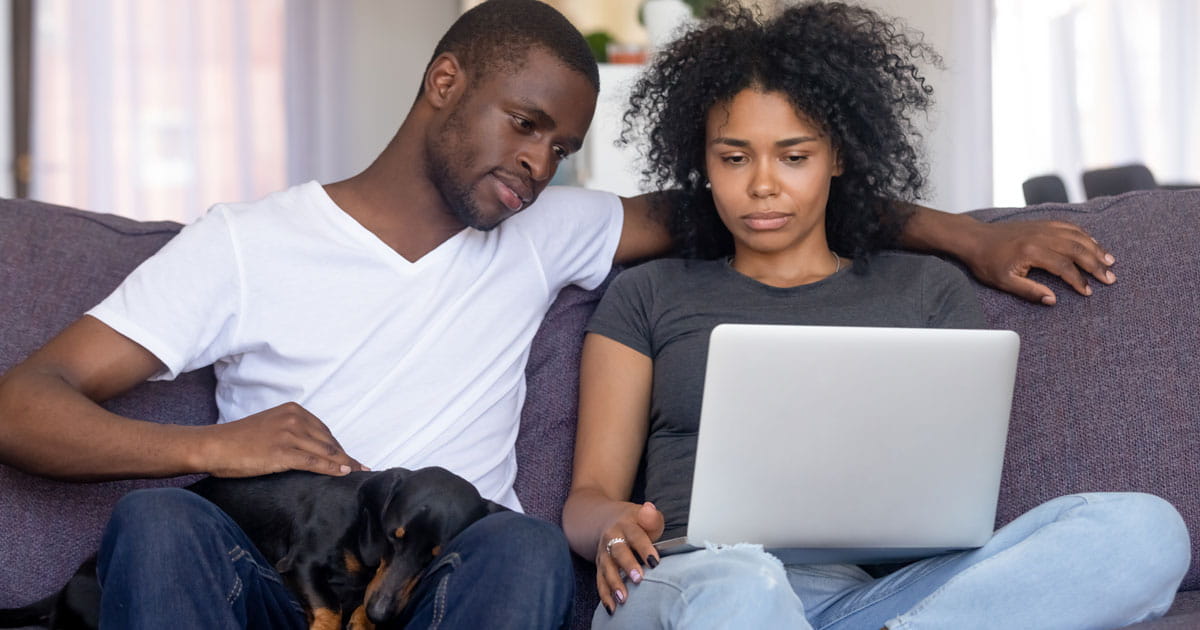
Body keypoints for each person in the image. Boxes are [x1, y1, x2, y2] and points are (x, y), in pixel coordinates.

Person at [0, 0, 1120, 628]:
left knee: (528, 548)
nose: (537, 163)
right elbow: (26, 403)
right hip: (275, 570)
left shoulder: (547, 233)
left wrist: (970, 236)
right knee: (155, 526)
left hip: (454, 579)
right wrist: (212, 444)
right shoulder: (244, 244)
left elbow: (766, 194)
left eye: (560, 147)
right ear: (445, 84)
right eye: (523, 122)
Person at [561, 3, 1189, 629]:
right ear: (704, 161)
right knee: (747, 584)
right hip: (698, 582)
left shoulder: (927, 291)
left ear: (838, 157)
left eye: (794, 156)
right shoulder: (648, 294)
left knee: (1146, 529)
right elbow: (588, 497)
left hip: (872, 601)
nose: (762, 185)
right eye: (733, 158)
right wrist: (611, 526)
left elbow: (953, 491)